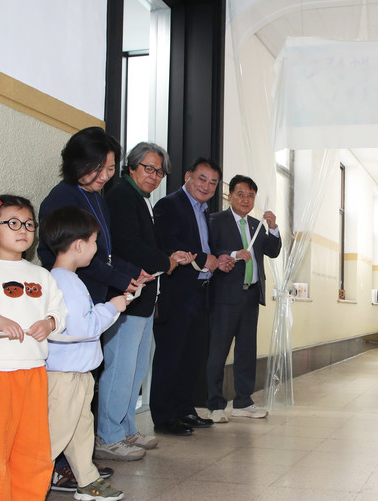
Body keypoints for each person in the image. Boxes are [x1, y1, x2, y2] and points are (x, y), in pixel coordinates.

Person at [38, 126, 143, 489]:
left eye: (111, 169)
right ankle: (46, 470)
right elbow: (76, 256)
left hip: (95, 295)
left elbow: (104, 251)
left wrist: (128, 273)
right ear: (77, 163)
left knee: (82, 406)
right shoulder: (61, 199)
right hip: (82, 301)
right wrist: (117, 283)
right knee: (62, 414)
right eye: (98, 168)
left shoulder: (98, 195)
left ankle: (81, 468)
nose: (104, 176)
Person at [0, 195, 68, 500]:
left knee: (33, 451)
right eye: (13, 223)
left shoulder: (41, 275)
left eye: (29, 224)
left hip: (33, 371)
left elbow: (59, 311)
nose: (23, 230)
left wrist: (50, 323)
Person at [96, 142, 194, 459]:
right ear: (131, 166)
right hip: (126, 296)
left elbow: (145, 246)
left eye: (159, 172)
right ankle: (108, 436)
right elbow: (128, 245)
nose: (154, 176)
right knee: (120, 368)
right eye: (148, 168)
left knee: (136, 369)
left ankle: (126, 429)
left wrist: (169, 257)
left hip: (143, 297)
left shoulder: (139, 198)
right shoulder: (121, 197)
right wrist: (166, 262)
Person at [40, 206, 126, 501]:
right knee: (56, 433)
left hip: (77, 373)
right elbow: (83, 327)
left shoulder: (66, 279)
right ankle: (28, 482)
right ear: (78, 245)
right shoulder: (65, 283)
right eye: (93, 241)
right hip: (64, 376)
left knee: (80, 430)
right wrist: (112, 308)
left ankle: (87, 480)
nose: (96, 248)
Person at [151, 158, 233, 435]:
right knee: (170, 355)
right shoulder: (169, 205)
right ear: (187, 176)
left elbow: (203, 247)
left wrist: (217, 260)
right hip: (176, 293)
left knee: (191, 357)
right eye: (202, 178)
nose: (206, 186)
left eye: (213, 182)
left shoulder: (204, 210)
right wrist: (202, 258)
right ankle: (164, 416)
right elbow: (168, 244)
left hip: (200, 294)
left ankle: (185, 409)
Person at [206, 174, 281, 422]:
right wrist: (232, 254)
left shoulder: (257, 226)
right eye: (240, 194)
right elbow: (208, 250)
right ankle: (215, 405)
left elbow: (272, 251)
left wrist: (273, 228)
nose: (246, 199)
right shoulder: (215, 220)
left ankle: (243, 402)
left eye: (250, 195)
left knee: (247, 351)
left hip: (251, 295)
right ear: (230, 196)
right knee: (218, 351)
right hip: (225, 296)